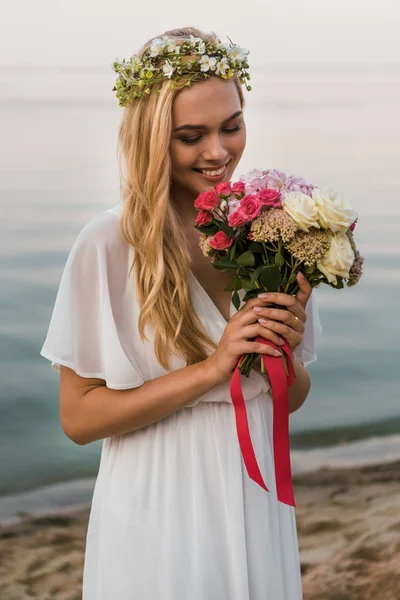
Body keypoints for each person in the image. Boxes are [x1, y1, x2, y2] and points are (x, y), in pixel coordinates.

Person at [40, 26, 322, 600]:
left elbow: (288, 397)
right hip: (159, 497)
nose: (218, 152)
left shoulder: (274, 237)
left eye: (231, 126)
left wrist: (283, 354)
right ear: (151, 138)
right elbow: (79, 417)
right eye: (190, 136)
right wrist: (211, 370)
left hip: (256, 493)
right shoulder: (108, 244)